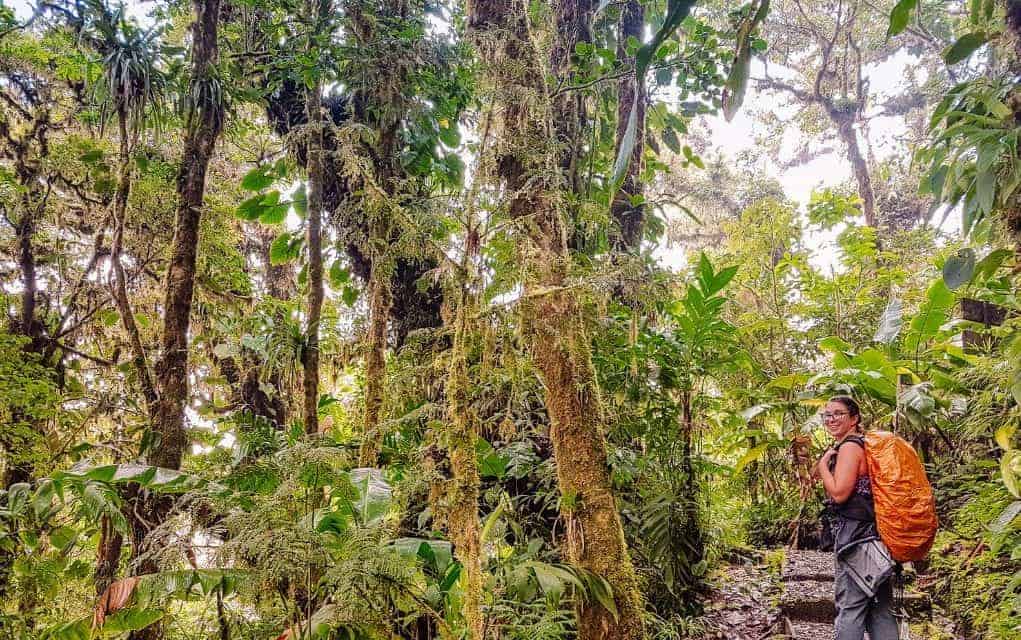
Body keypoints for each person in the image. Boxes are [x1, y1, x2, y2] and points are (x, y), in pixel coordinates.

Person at [814, 396, 899, 640]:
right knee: (880, 609)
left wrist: (822, 468)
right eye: (827, 415)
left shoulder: (850, 447)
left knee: (850, 606)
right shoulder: (862, 444)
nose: (831, 419)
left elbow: (840, 493)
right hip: (875, 536)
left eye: (838, 413)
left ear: (854, 418)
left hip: (857, 539)